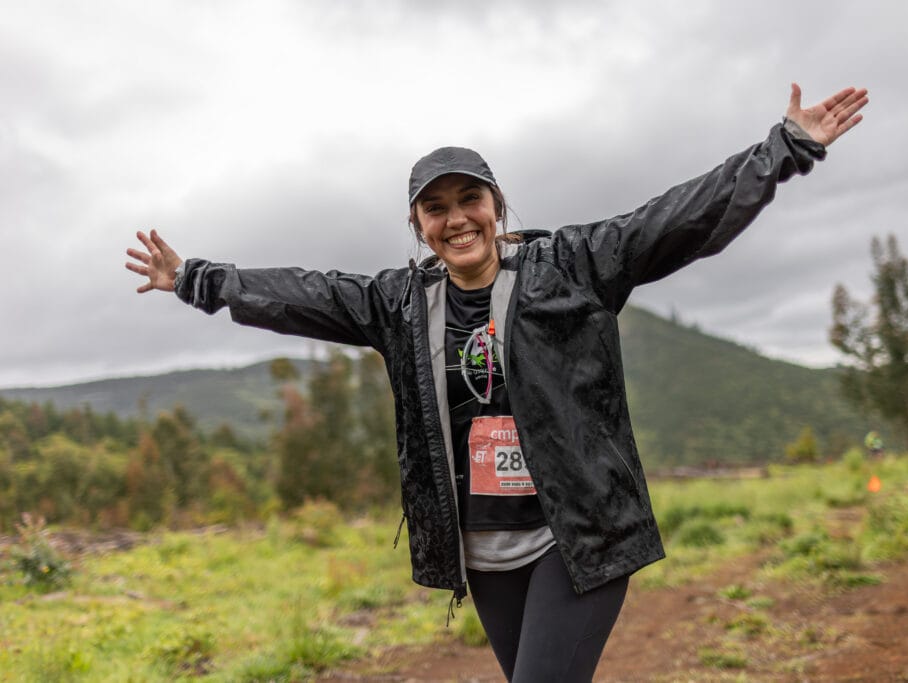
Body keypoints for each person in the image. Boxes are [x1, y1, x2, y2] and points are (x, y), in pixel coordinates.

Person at [126, 83, 867, 682]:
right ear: (418, 223)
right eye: (436, 207)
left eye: (469, 199)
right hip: (485, 553)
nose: (456, 220)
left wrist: (785, 149)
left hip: (575, 535)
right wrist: (196, 278)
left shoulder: (569, 266)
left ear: (496, 203)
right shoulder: (401, 302)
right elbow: (304, 294)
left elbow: (671, 219)